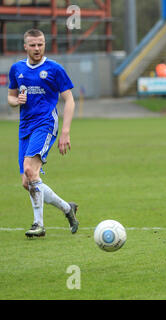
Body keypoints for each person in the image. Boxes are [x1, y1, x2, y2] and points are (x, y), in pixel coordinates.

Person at [7, 29, 79, 238]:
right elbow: (11, 97)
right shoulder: (17, 69)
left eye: (40, 44)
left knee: (30, 170)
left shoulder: (54, 69)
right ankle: (67, 208)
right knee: (26, 181)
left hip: (46, 123)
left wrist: (65, 132)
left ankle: (38, 225)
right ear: (25, 46)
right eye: (33, 45)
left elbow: (70, 100)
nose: (37, 48)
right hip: (25, 127)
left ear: (44, 44)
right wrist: (16, 101)